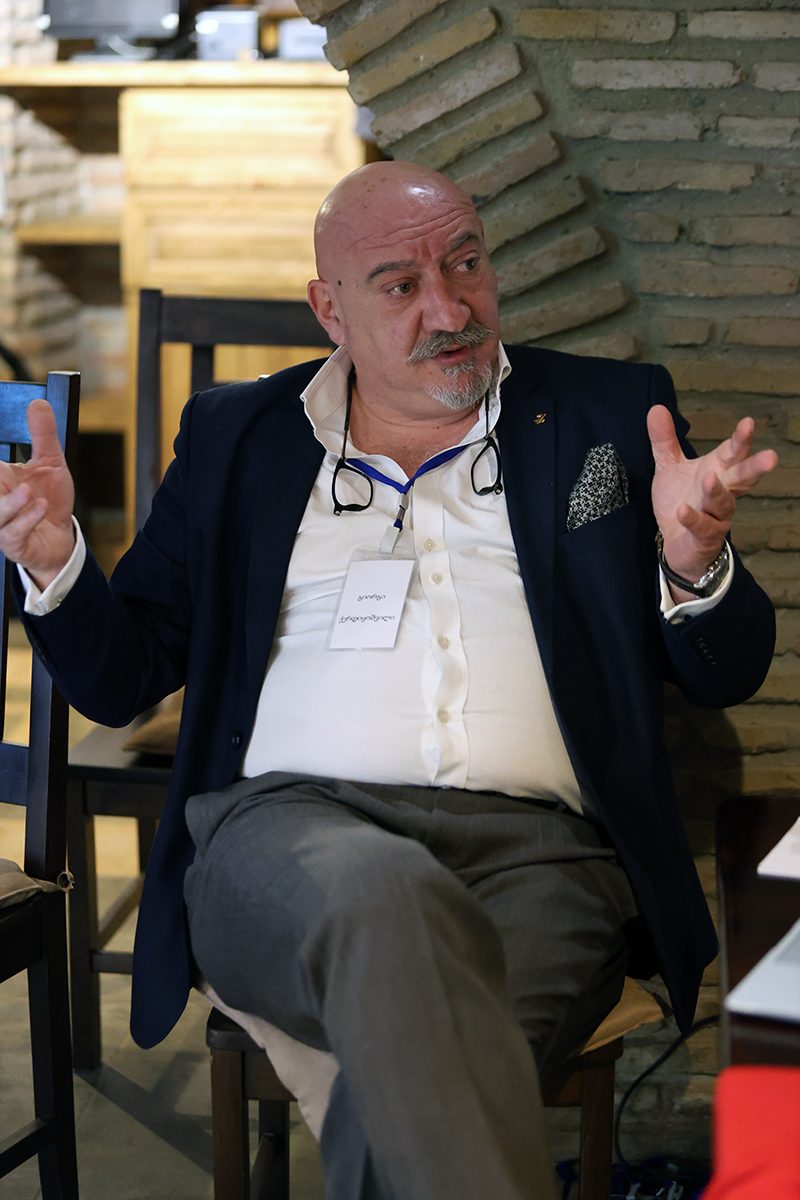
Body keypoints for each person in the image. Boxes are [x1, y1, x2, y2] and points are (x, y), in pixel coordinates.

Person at [0, 161, 778, 1199]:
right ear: (329, 310)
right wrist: (55, 563)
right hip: (290, 838)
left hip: (544, 860)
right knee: (385, 899)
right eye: (401, 285)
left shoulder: (607, 415)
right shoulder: (239, 435)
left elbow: (729, 673)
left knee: (452, 1078)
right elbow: (123, 676)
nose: (449, 309)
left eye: (465, 264)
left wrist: (693, 567)